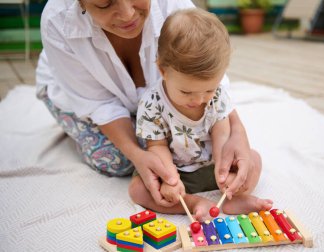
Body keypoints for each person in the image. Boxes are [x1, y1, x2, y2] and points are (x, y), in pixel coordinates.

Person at [35, 0, 260, 207]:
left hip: (166, 114)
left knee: (247, 158)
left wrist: (236, 135)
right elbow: (100, 105)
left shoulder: (180, 13)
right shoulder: (58, 21)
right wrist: (162, 170)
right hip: (80, 96)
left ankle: (233, 199)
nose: (127, 14)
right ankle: (189, 202)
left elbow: (213, 90)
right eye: (104, 3)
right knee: (120, 162)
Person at [129, 8, 272, 220]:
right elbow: (156, 146)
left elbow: (221, 134)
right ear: (163, 70)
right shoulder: (151, 103)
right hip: (178, 172)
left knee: (253, 159)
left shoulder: (217, 95)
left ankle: (233, 198)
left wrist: (223, 173)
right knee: (138, 190)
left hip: (210, 167)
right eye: (186, 92)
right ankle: (193, 202)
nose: (198, 100)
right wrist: (170, 180)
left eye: (208, 90)